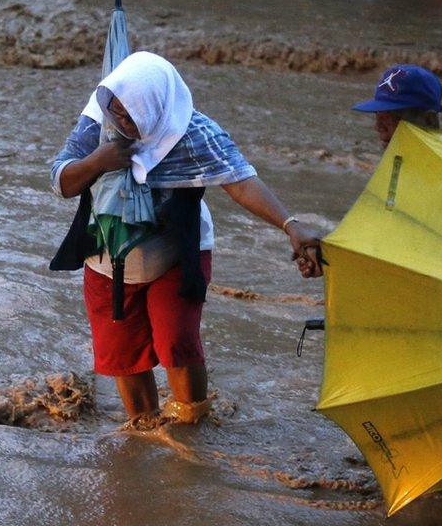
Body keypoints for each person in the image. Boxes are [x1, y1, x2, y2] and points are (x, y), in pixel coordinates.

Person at [49, 51, 321, 426]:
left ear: (156, 108)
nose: (122, 122)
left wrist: (291, 224)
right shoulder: (98, 122)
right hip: (107, 258)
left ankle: (192, 426)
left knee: (177, 342)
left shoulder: (193, 133)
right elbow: (62, 181)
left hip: (176, 252)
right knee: (122, 353)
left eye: (131, 115)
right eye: (116, 111)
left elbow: (240, 182)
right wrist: (98, 161)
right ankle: (144, 430)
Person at [295, 64, 442, 278]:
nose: (379, 127)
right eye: (378, 116)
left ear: (428, 120)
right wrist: (327, 258)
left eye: (392, 118)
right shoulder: (399, 167)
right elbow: (386, 240)